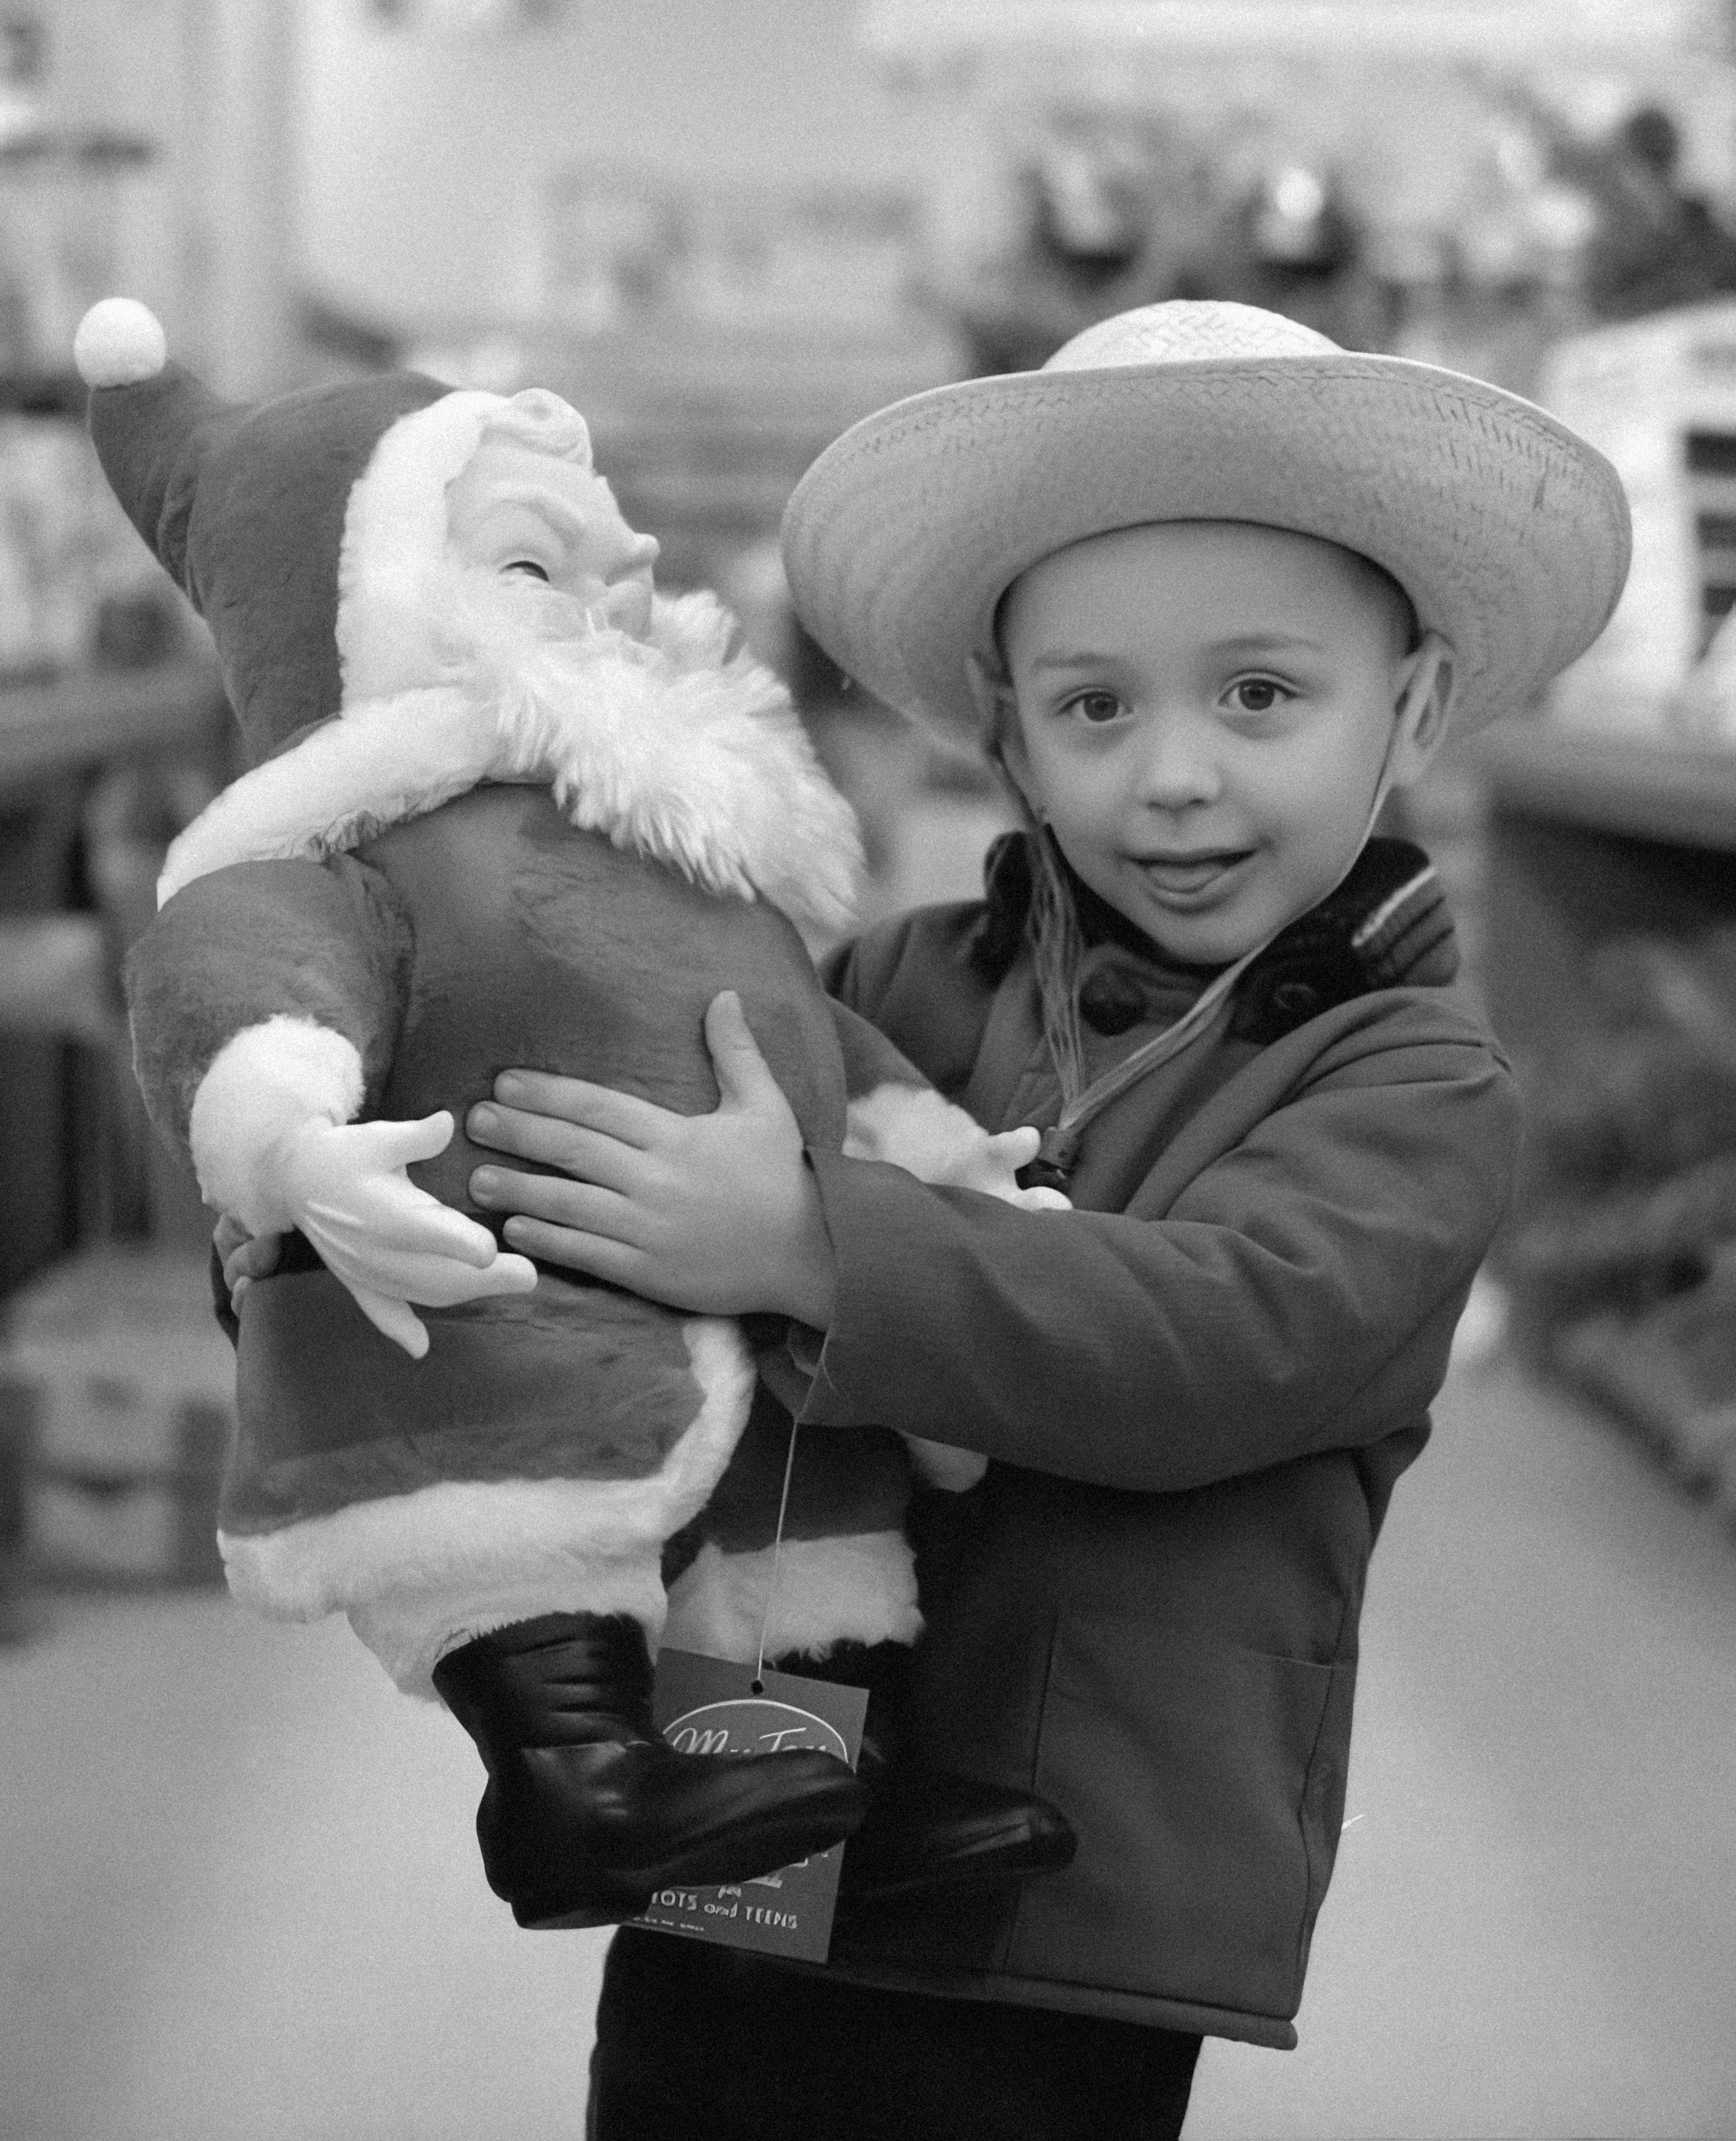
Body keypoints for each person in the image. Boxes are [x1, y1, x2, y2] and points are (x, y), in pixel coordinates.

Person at [457, 300, 1631, 2140]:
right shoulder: (891, 982)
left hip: (1074, 1880)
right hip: (762, 1780)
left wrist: (806, 1244)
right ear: (1009, 733)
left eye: (1260, 693)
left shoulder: (1413, 1080)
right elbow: (631, 1156)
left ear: (1407, 707)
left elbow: (1217, 1340)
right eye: (1097, 703)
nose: (1172, 774)